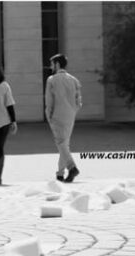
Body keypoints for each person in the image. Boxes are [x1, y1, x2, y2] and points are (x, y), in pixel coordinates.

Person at [45, 53, 82, 182]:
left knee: (61, 143)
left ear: (57, 64)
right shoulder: (74, 80)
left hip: (57, 115)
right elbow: (79, 102)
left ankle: (72, 168)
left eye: (52, 64)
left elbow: (49, 102)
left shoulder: (51, 80)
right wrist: (73, 112)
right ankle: (60, 174)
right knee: (64, 144)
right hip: (70, 115)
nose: (50, 67)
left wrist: (48, 116)